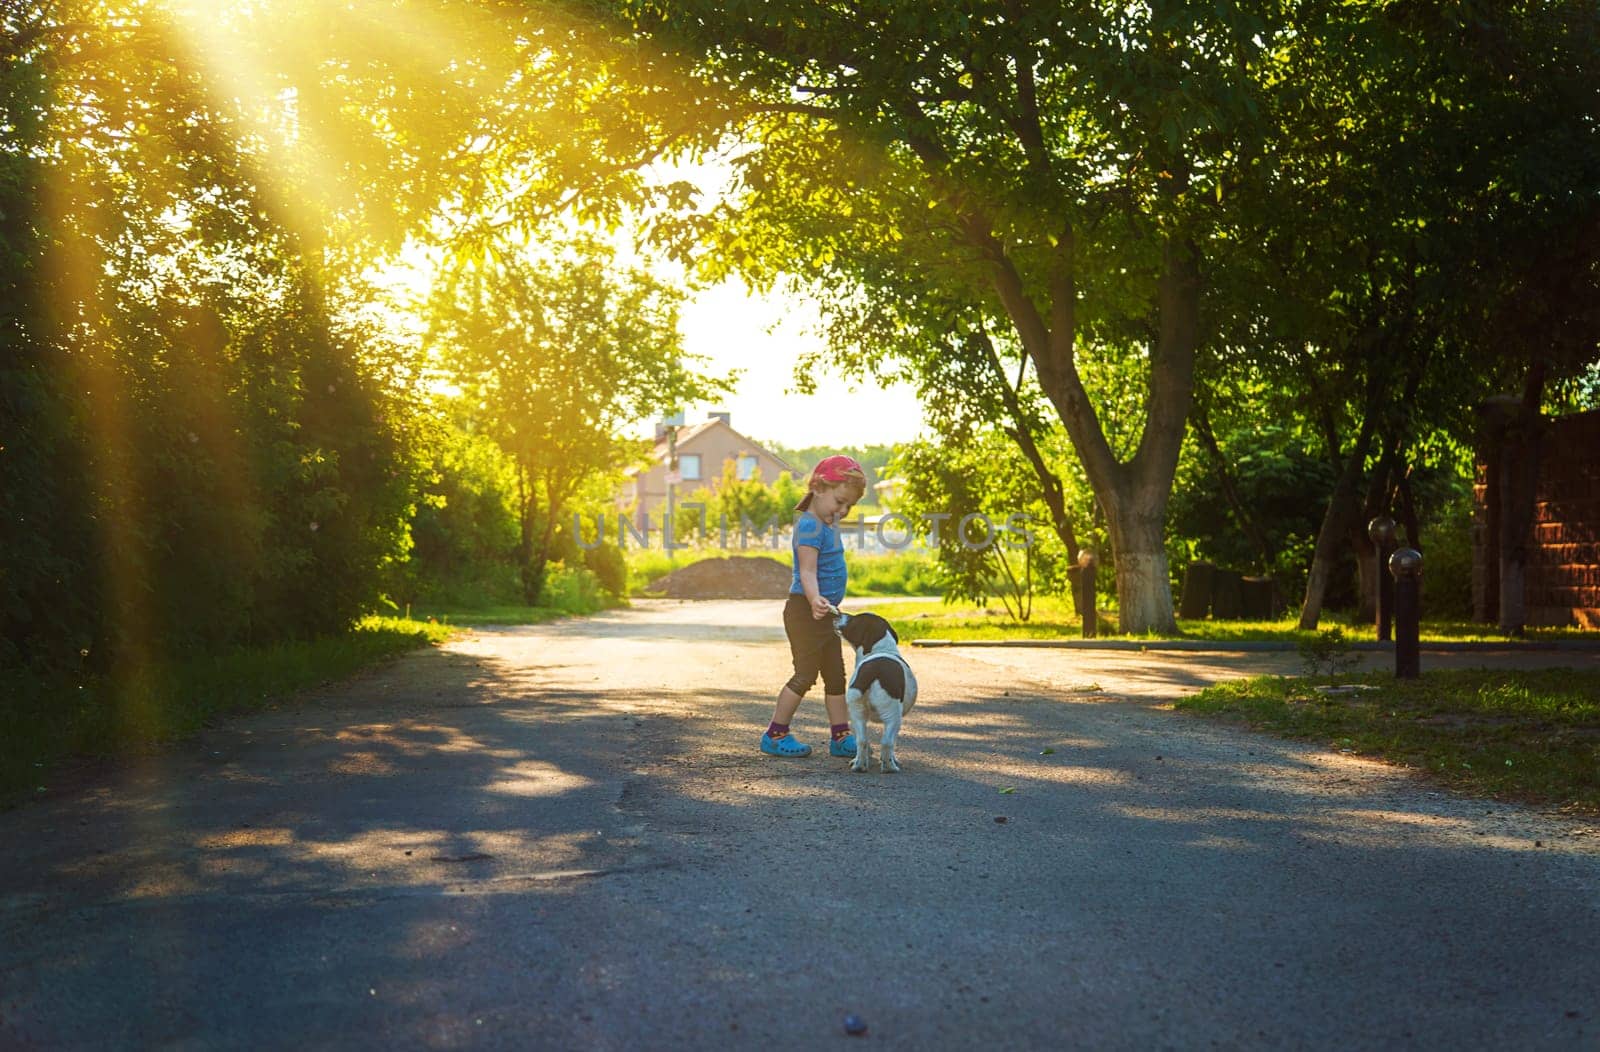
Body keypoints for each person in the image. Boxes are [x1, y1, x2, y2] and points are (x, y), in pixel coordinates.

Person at [760, 454, 868, 757]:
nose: (844, 510)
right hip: (805, 612)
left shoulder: (826, 519)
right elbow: (806, 571)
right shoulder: (809, 526)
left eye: (850, 506)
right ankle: (775, 734)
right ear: (819, 487)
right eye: (840, 501)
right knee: (806, 674)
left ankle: (840, 735)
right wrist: (814, 599)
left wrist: (824, 605)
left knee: (836, 674)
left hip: (824, 613)